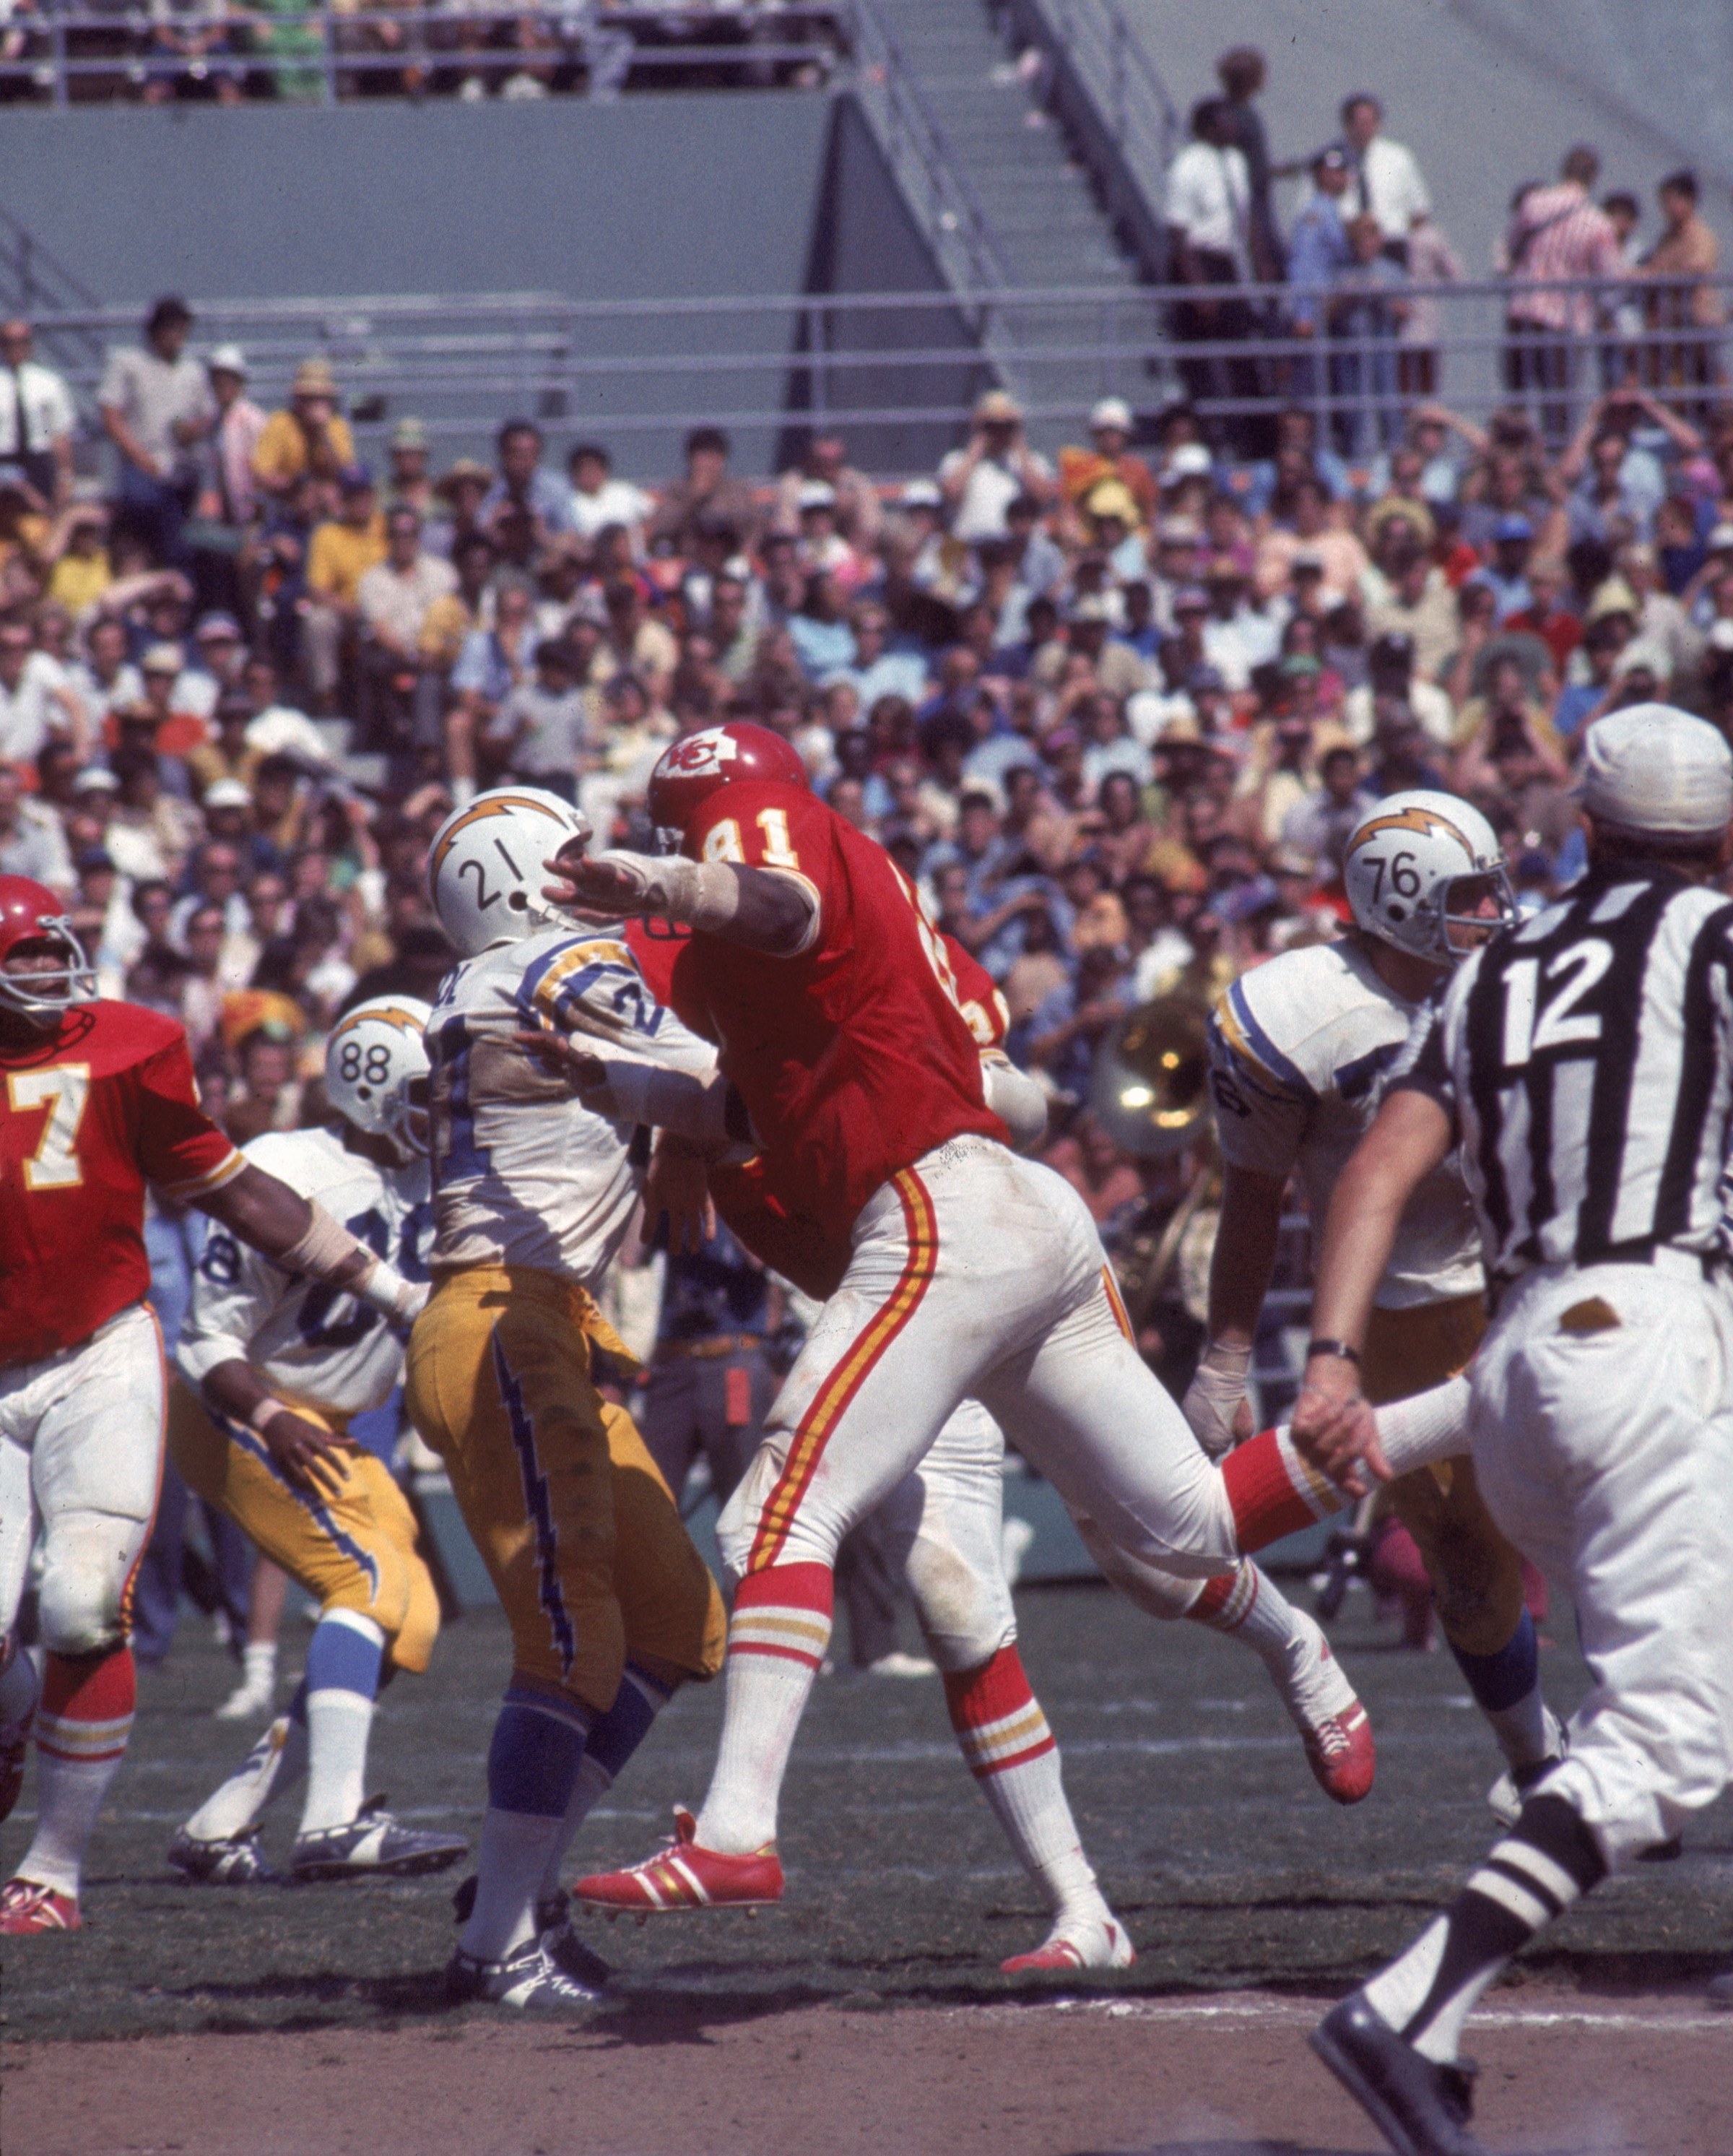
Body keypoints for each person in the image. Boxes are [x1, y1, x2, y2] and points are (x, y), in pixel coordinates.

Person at [524, 723, 1372, 1927]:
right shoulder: (769, 979)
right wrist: (636, 1099)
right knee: (1035, 1578)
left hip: (937, 1240)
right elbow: (754, 1092)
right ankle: (1083, 1914)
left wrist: (665, 887)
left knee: (806, 1514)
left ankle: (738, 1831)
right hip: (923, 1271)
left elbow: (807, 938)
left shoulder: (764, 869)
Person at [1294, 706, 1733, 2142]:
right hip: (1650, 1341)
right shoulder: (1714, 943)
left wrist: (1334, 1366)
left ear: (1587, 831)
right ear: (1721, 840)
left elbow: (1375, 1168)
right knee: (1666, 1744)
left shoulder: (1494, 973)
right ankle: (1411, 2009)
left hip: (1519, 1363)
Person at [0, 878, 429, 1933]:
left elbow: (231, 1189)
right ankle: (25, 1716)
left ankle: (53, 1872)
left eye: (57, 951)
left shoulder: (131, 1046)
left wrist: (386, 1289)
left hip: (101, 1347)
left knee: (83, 1603)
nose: (50, 973)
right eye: (27, 956)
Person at [405, 787, 727, 2009]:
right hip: (506, 1320)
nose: (597, 870)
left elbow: (674, 1095)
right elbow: (722, 1079)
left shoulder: (494, 980)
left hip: (534, 1323)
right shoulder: (558, 966)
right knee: (573, 1639)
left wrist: (686, 1141)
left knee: (679, 1619)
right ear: (520, 874)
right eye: (572, 853)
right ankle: (496, 1945)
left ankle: (515, 1889)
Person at [1193, 789, 1563, 1817]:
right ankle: (1537, 1756)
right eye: (1469, 896)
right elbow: (1255, 1196)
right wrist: (1227, 1356)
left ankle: (1643, 1732)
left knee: (1616, 1502)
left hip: (1531, 1274)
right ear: (1401, 904)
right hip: (1398, 1311)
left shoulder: (1528, 975)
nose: (1495, 912)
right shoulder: (1296, 1017)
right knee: (1464, 1556)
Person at [165, 998, 466, 1886]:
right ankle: (334, 1818)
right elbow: (206, 1341)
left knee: (409, 1614)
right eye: (426, 1091)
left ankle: (225, 1818)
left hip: (331, 1422)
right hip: (241, 1408)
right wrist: (272, 1419)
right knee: (363, 1582)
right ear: (372, 1090)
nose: (445, 1107)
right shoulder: (287, 1170)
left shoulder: (433, 1180)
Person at [1503, 147, 1625, 450]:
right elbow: (1611, 280)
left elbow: (1512, 245)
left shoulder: (1533, 203)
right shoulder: (1598, 223)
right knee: (1557, 408)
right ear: (1593, 178)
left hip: (1522, 312)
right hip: (1564, 323)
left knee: (1516, 402)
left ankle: (1512, 459)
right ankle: (1555, 462)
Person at [1165, 98, 1258, 447]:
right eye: (1225, 121)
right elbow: (1178, 233)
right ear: (1208, 127)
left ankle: (1246, 436)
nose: (1233, 127)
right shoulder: (1187, 166)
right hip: (1196, 263)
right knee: (1200, 361)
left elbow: (1247, 218)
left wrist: (1259, 263)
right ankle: (1208, 436)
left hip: (1227, 261)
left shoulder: (1235, 161)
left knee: (1242, 353)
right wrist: (1199, 289)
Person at [97, 297, 214, 566]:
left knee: (179, 542)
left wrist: (192, 430)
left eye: (182, 328)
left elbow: (207, 415)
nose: (177, 335)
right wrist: (140, 457)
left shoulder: (192, 370)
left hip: (181, 466)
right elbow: (110, 413)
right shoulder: (128, 363)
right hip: (141, 464)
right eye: (171, 327)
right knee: (144, 512)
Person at [1337, 94, 1430, 269]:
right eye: (1358, 123)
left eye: (1369, 122)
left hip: (1392, 244)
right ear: (1347, 124)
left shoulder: (1398, 158)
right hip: (1346, 248)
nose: (1364, 129)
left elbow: (1419, 211)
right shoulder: (1330, 161)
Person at [0, 321, 74, 512]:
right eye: (8, 342)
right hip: (4, 460)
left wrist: (65, 478)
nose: (15, 347)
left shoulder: (49, 384)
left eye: (22, 341)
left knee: (40, 520)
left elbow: (59, 435)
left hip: (38, 462)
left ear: (30, 344)